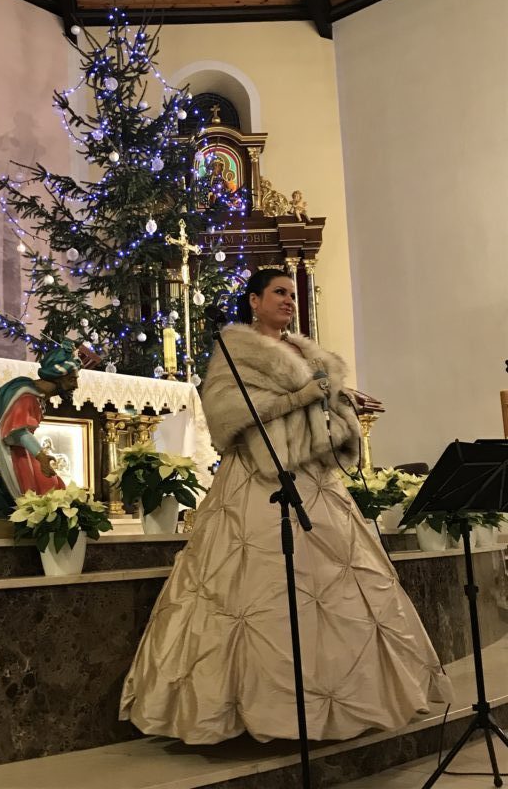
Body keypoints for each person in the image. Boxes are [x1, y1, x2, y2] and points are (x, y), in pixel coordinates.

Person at [120, 269, 452, 744]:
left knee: (343, 584)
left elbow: (325, 408)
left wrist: (339, 409)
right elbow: (224, 414)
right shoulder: (237, 350)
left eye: (292, 294)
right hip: (257, 479)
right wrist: (300, 397)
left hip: (315, 479)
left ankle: (351, 699)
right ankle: (253, 710)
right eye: (278, 292)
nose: (289, 301)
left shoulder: (306, 351)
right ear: (254, 301)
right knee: (252, 591)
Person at [0, 340, 81, 503]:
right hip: (15, 456)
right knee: (46, 493)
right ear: (57, 378)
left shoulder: (37, 395)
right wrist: (41, 457)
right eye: (72, 379)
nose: (76, 385)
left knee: (53, 490)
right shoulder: (27, 397)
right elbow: (17, 432)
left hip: (25, 453)